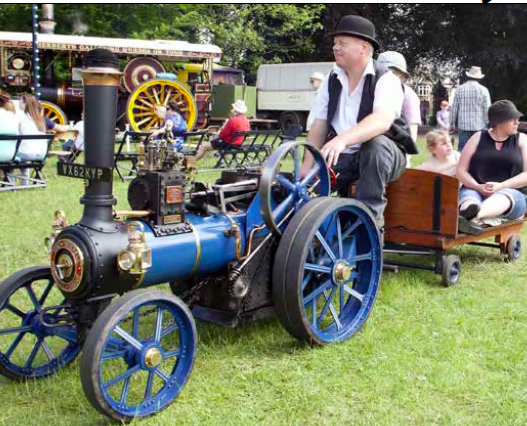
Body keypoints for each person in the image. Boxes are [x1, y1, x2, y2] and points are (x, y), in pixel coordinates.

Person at [300, 15, 418, 224]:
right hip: (344, 156)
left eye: (342, 43)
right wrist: (307, 167)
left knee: (376, 145)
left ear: (363, 48)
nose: (335, 48)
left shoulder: (386, 79)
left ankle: (370, 221)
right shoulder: (331, 79)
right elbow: (319, 126)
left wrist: (342, 139)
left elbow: (382, 120)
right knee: (303, 193)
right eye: (335, 43)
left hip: (386, 156)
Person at [456, 100, 527, 235]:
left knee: (504, 196)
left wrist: (501, 185)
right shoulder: (478, 137)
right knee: (469, 199)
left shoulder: (522, 139)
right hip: (476, 190)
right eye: (513, 119)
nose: (517, 122)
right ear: (499, 121)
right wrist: (477, 186)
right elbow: (461, 170)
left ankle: (472, 218)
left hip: (511, 194)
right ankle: (469, 213)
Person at [377, 50, 421, 167]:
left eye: (393, 72)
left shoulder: (409, 95)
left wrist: (406, 157)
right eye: (384, 71)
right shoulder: (373, 89)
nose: (387, 75)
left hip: (396, 150)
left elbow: (412, 129)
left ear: (402, 75)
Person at [450, 66, 491, 152]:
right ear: (479, 78)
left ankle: (461, 165)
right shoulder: (484, 90)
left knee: (462, 149)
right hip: (479, 126)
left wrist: (452, 123)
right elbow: (487, 109)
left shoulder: (459, 89)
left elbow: (454, 108)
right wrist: (488, 124)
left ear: (468, 76)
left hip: (463, 126)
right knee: (479, 150)